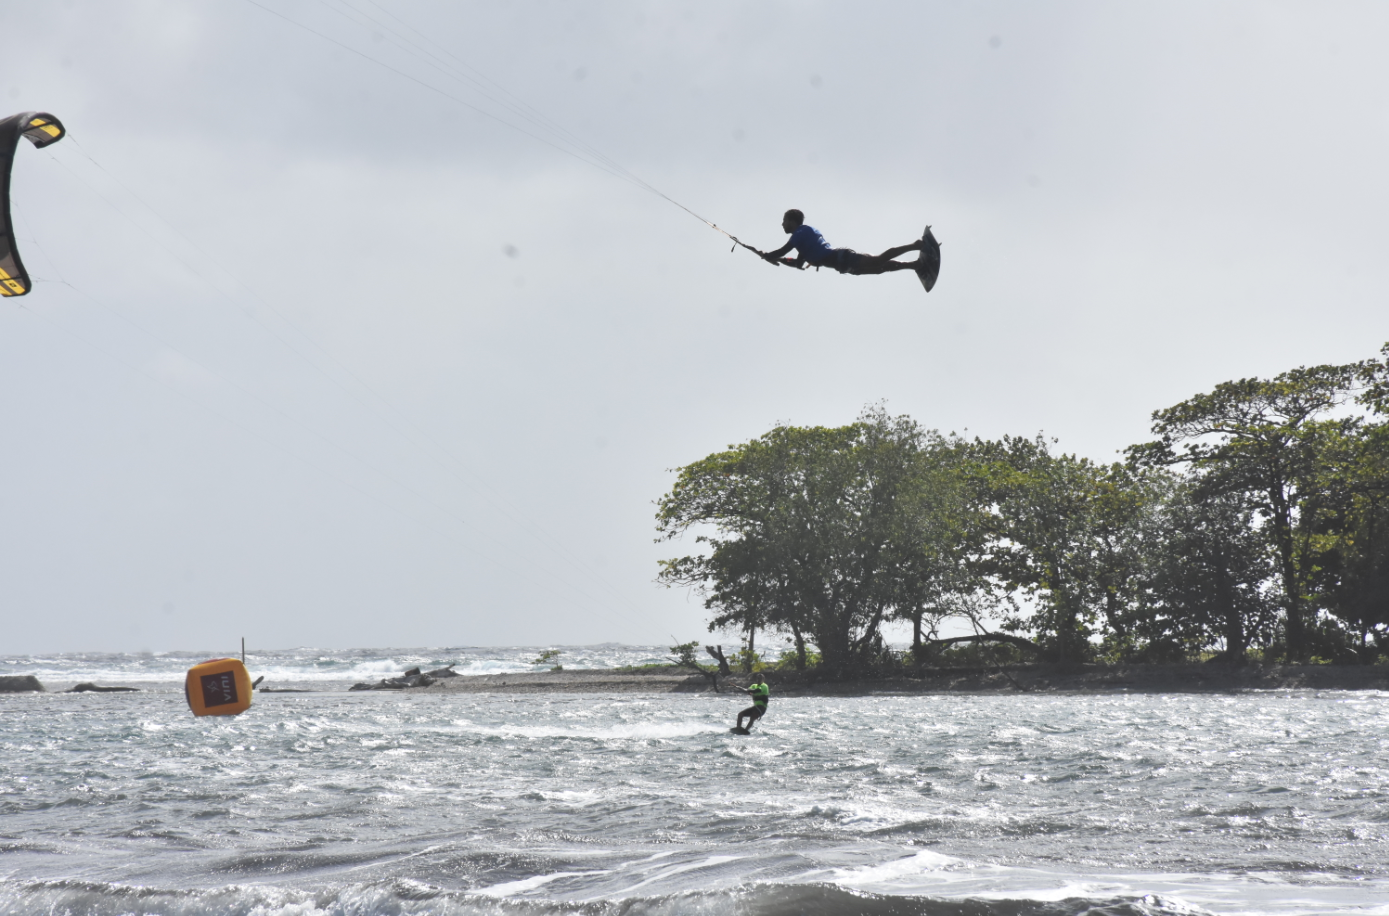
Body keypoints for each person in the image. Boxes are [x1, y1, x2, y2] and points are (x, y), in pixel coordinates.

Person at [759, 209, 923, 275]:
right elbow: (797, 264)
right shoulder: (803, 243)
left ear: (792, 221)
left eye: (784, 220)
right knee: (880, 268)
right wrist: (777, 259)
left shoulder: (800, 233)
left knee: (878, 260)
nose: (782, 224)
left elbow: (783, 251)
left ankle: (915, 245)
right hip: (844, 266)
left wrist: (768, 255)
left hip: (842, 258)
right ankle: (915, 265)